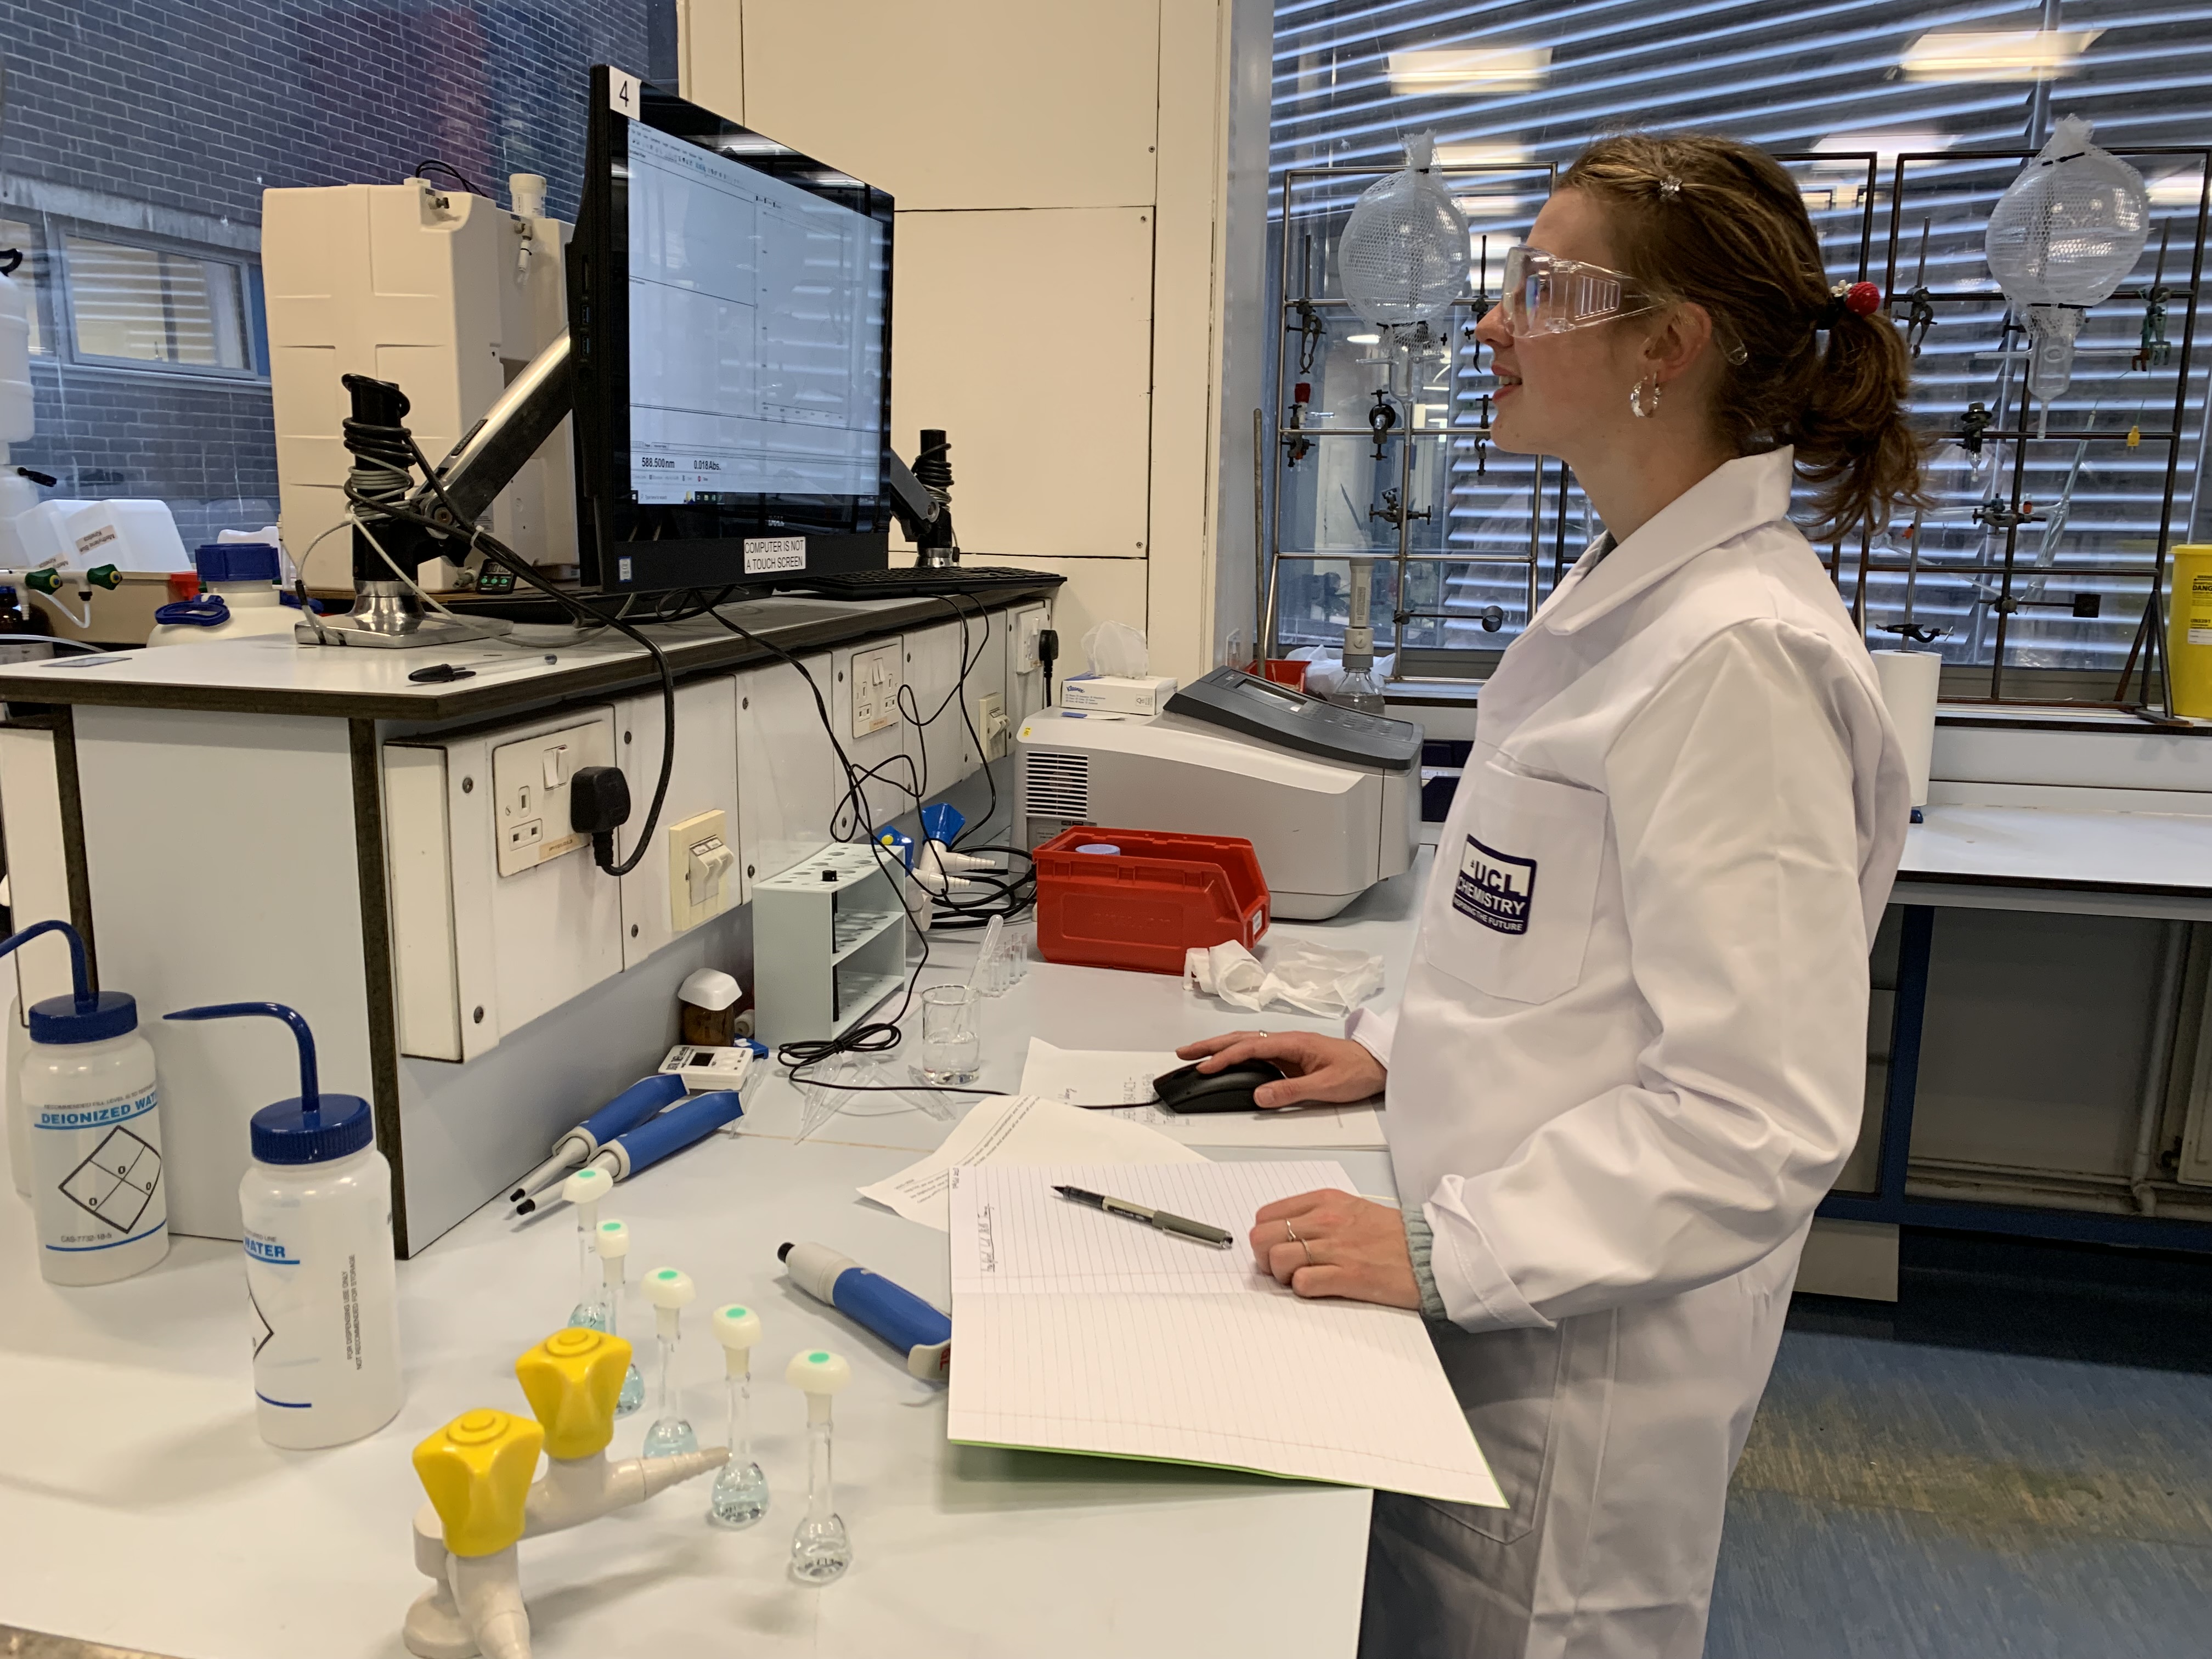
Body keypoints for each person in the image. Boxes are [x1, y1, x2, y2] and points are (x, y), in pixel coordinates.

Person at [1181, 133, 1918, 1658]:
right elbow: (1552, 939)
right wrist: (1397, 1037)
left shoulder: (1737, 658)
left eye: (1542, 287)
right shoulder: (1627, 595)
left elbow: (1758, 1114)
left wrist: (1455, 1253)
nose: (1493, 323)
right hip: (1504, 1298)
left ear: (1668, 344)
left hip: (1583, 1367)